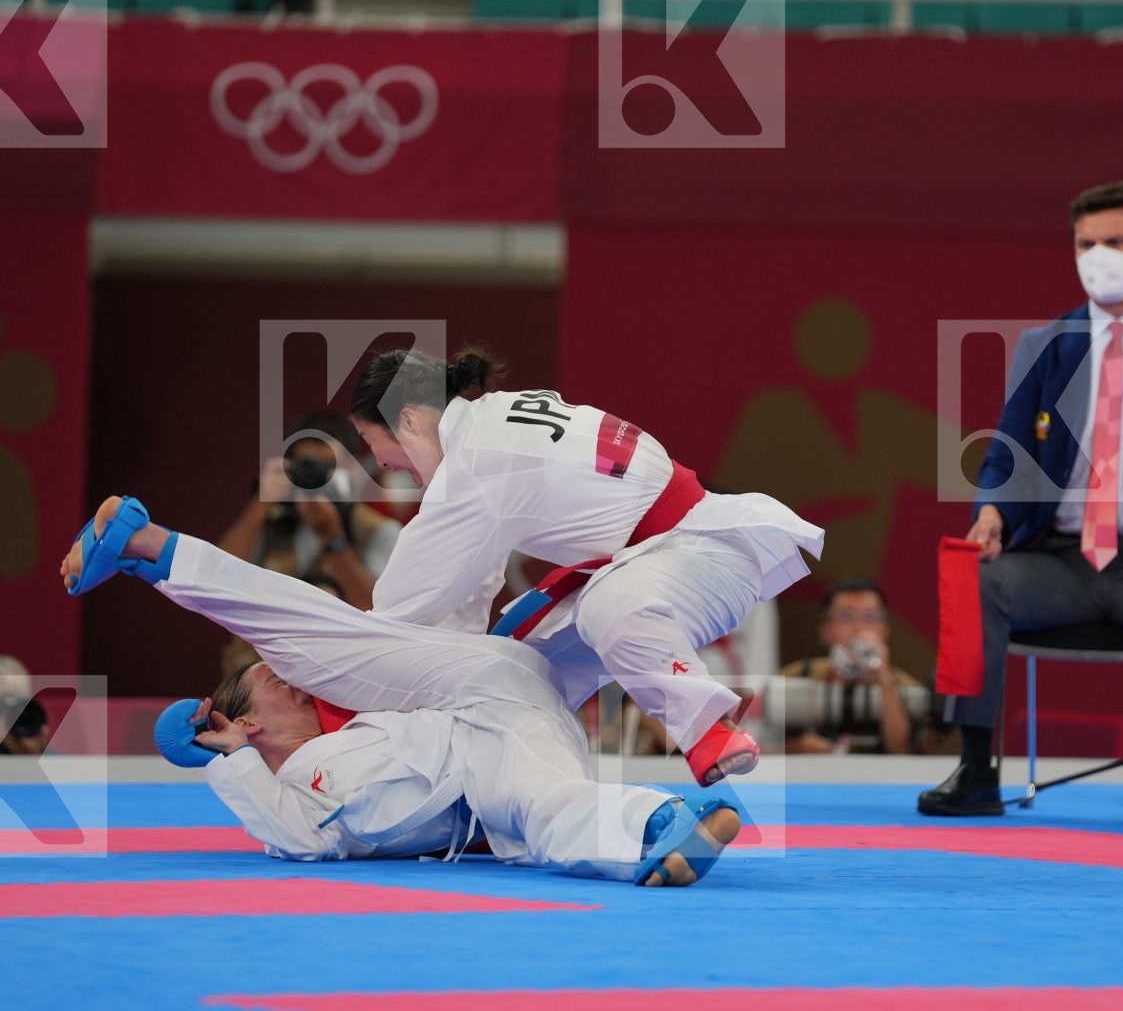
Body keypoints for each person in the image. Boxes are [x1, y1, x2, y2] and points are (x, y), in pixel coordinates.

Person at [61, 496, 740, 886]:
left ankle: (148, 546)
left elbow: (300, 630)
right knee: (545, 812)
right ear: (248, 725)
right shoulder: (304, 793)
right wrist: (229, 759)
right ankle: (660, 826)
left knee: (313, 632)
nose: (284, 677)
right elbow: (291, 837)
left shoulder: (346, 687)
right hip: (502, 745)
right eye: (267, 682)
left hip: (472, 682)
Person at [920, 180, 1123, 827]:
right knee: (975, 576)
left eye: (1116, 242)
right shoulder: (1047, 344)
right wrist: (992, 513)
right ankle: (976, 768)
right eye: (1085, 244)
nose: (1099, 256)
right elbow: (1007, 454)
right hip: (1060, 561)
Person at [347, 347, 825, 787]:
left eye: (370, 440)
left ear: (408, 420)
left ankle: (707, 729)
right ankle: (517, 798)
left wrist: (342, 672)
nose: (382, 464)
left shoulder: (476, 462)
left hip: (702, 551)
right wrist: (460, 668)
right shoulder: (493, 426)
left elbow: (401, 607)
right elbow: (469, 580)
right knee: (514, 674)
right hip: (649, 564)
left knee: (607, 607)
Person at [215, 410, 400, 673]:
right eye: (308, 466)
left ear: (354, 469)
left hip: (339, 677)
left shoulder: (378, 531)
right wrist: (261, 502)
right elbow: (220, 578)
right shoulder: (269, 520)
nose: (318, 478)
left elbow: (378, 612)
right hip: (258, 677)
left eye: (329, 467)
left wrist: (333, 539)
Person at [781, 578, 923, 755]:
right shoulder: (796, 676)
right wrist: (794, 748)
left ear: (885, 630)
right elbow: (755, 741)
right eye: (846, 617)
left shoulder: (908, 688)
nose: (858, 627)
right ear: (826, 630)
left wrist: (884, 677)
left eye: (870, 617)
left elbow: (902, 751)